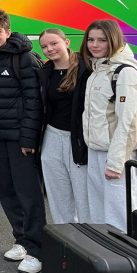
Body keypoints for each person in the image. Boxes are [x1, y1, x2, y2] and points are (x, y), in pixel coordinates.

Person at [0, 9, 45, 273]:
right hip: (0, 137)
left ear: (7, 31)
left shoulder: (24, 58)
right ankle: (21, 240)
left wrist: (29, 138)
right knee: (6, 190)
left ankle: (37, 250)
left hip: (21, 139)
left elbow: (34, 102)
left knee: (28, 194)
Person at [80, 19, 137, 232]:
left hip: (118, 157)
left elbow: (129, 122)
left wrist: (116, 162)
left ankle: (128, 263)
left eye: (102, 40)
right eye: (90, 39)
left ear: (114, 40)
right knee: (99, 216)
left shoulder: (125, 73)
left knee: (121, 218)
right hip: (97, 152)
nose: (94, 45)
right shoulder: (98, 70)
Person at [38, 28, 90, 224]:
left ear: (66, 42)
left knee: (83, 196)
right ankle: (67, 243)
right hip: (52, 137)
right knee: (58, 196)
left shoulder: (86, 68)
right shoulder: (45, 72)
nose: (49, 49)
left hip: (78, 139)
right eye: (44, 46)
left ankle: (89, 244)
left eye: (54, 44)